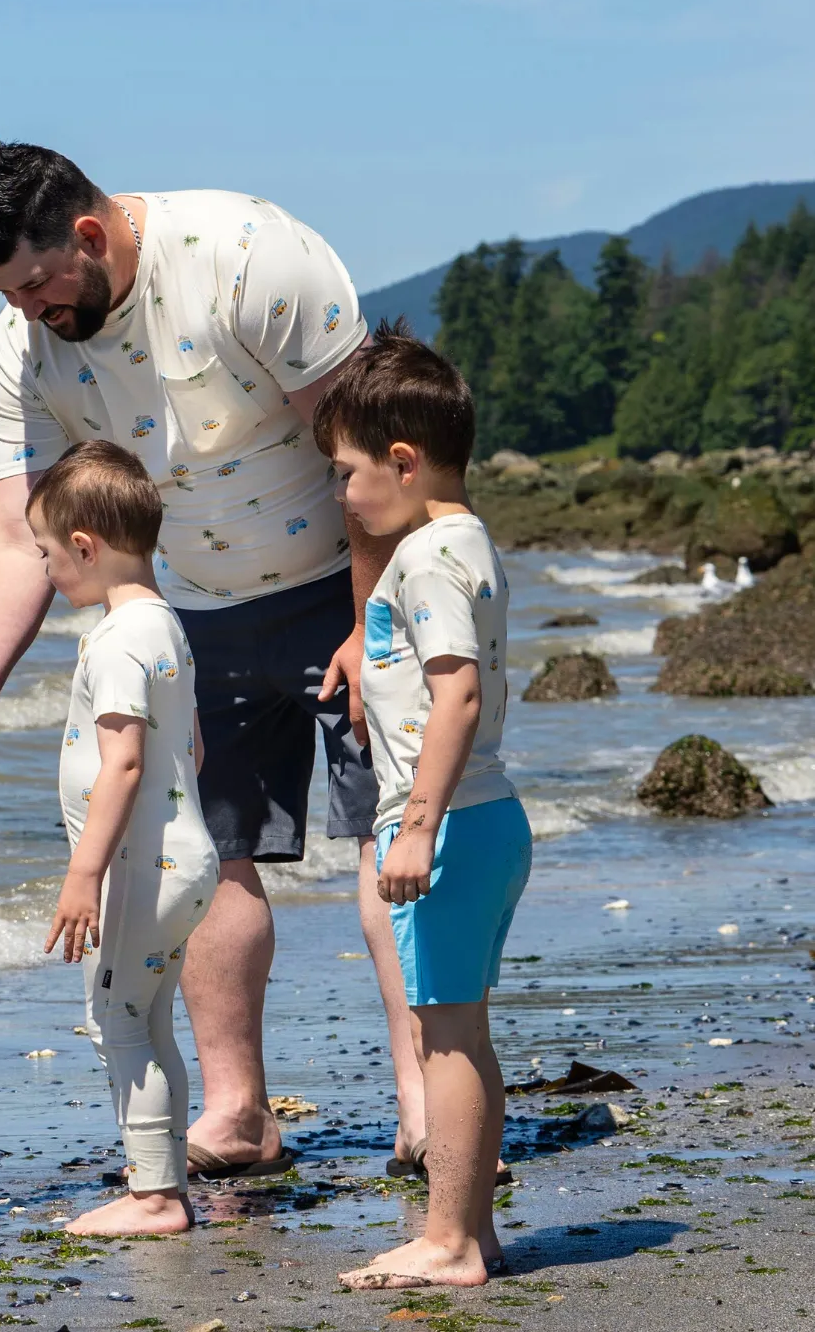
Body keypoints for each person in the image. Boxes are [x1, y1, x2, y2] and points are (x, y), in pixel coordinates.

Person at [0, 140, 416, 1179]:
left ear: (89, 234)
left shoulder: (246, 254)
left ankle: (425, 1106)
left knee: (386, 838)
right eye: (8, 295)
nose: (30, 310)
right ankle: (241, 1113)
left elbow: (368, 459)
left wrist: (371, 620)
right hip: (193, 611)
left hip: (344, 580)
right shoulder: (19, 350)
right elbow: (14, 534)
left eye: (37, 284)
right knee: (213, 853)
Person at [314, 323, 533, 1290]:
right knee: (460, 1032)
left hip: (450, 824)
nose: (340, 494)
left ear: (402, 464)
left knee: (440, 1033)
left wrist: (413, 826)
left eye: (345, 472)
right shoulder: (464, 537)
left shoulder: (426, 558)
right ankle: (471, 1232)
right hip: (489, 818)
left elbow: (458, 695)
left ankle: (446, 1240)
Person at [28, 441, 219, 1235]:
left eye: (46, 555)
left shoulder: (113, 640)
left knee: (119, 1020)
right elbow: (194, 749)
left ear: (85, 545)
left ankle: (153, 1198)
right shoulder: (164, 625)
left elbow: (125, 764)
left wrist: (84, 872)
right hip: (185, 857)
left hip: (144, 866)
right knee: (149, 1018)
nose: (45, 573)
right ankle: (162, 1180)